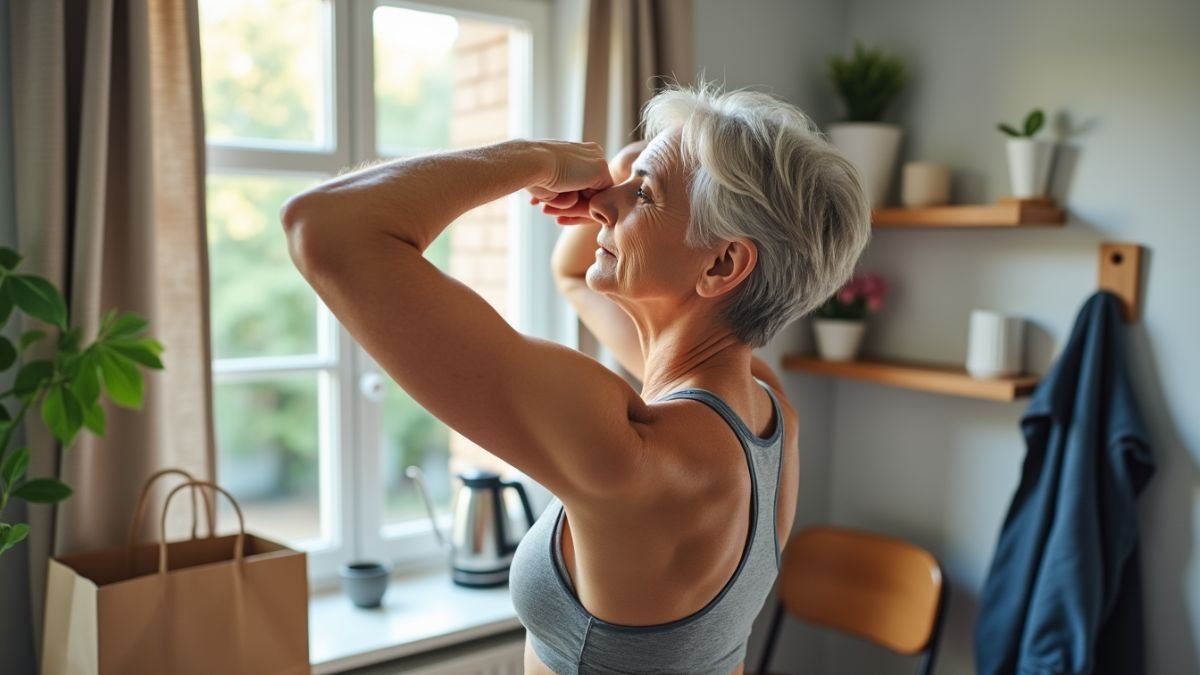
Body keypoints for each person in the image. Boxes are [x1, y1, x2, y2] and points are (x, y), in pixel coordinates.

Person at [282, 83, 870, 675]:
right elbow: (571, 271)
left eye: (643, 195)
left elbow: (326, 227)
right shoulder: (767, 410)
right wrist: (632, 172)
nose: (601, 206)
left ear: (721, 265)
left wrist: (535, 159)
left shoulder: (634, 452)